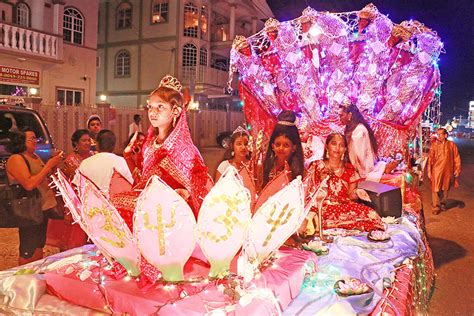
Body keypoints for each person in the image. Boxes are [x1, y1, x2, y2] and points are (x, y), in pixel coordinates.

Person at [114, 74, 211, 229]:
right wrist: (127, 156)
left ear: (176, 111)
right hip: (149, 206)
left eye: (160, 107)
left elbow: (199, 183)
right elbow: (141, 182)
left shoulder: (186, 149)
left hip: (173, 215)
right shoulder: (149, 145)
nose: (153, 112)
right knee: (115, 203)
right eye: (150, 107)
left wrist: (184, 192)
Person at [300, 133, 384, 234]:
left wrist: (357, 192)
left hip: (342, 206)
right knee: (313, 217)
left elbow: (350, 196)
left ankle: (334, 224)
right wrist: (322, 182)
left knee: (370, 214)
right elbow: (309, 193)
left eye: (341, 145)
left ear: (345, 149)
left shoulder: (349, 169)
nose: (337, 148)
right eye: (334, 144)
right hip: (321, 206)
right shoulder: (317, 166)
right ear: (327, 146)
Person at [5, 127, 63, 265]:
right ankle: (24, 279)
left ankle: (35, 275)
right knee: (28, 247)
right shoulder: (16, 159)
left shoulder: (35, 156)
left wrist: (53, 167)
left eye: (36, 138)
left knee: (39, 244)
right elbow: (29, 184)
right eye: (31, 138)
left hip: (41, 207)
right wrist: (48, 165)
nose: (35, 141)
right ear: (21, 141)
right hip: (28, 209)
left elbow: (42, 178)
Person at [76, 129, 133, 197]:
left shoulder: (85, 163)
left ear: (97, 144)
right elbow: (131, 186)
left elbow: (77, 188)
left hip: (91, 206)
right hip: (115, 206)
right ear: (114, 145)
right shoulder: (123, 162)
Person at [261, 110, 304, 189]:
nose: (281, 148)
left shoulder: (300, 171)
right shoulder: (265, 166)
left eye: (286, 145)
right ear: (272, 146)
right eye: (278, 144)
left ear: (294, 147)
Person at [427, 128, 461, 215]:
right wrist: (429, 171)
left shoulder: (451, 145)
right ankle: (436, 206)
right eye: (437, 134)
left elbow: (456, 158)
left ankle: (443, 204)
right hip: (436, 170)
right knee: (435, 188)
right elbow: (430, 159)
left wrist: (457, 169)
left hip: (447, 171)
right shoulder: (434, 145)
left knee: (445, 188)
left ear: (445, 135)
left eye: (440, 134)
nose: (438, 136)